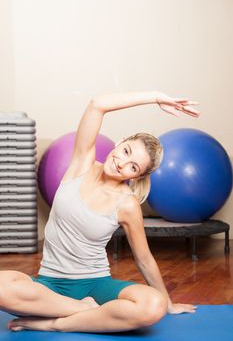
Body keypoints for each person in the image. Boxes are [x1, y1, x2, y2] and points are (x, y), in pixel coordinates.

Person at [0, 91, 200, 333]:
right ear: (120, 142)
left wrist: (166, 303)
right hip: (48, 285)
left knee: (152, 305)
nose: (121, 163)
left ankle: (56, 323)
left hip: (96, 286)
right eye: (126, 151)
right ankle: (86, 311)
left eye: (133, 166)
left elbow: (144, 258)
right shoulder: (81, 163)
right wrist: (156, 97)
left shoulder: (127, 203)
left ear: (136, 176)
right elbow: (97, 105)